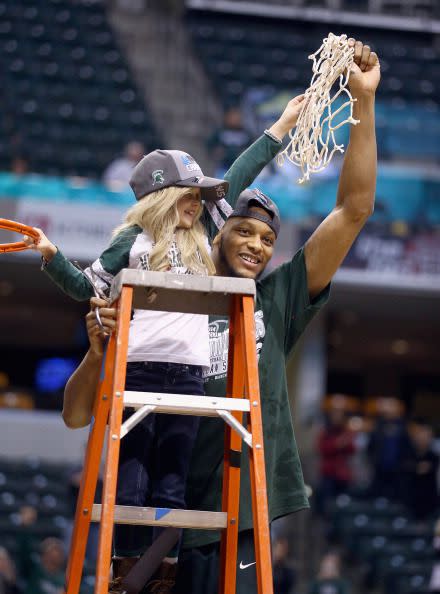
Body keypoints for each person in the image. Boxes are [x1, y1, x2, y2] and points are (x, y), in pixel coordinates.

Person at [29, 95, 306, 594]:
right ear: (162, 196)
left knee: (174, 478)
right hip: (137, 372)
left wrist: (281, 126)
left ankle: (165, 568)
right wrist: (52, 258)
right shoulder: (132, 242)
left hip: (189, 376)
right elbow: (90, 286)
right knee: (132, 478)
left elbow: (239, 175)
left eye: (201, 196)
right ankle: (126, 563)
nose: (199, 203)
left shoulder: (202, 233)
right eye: (189, 194)